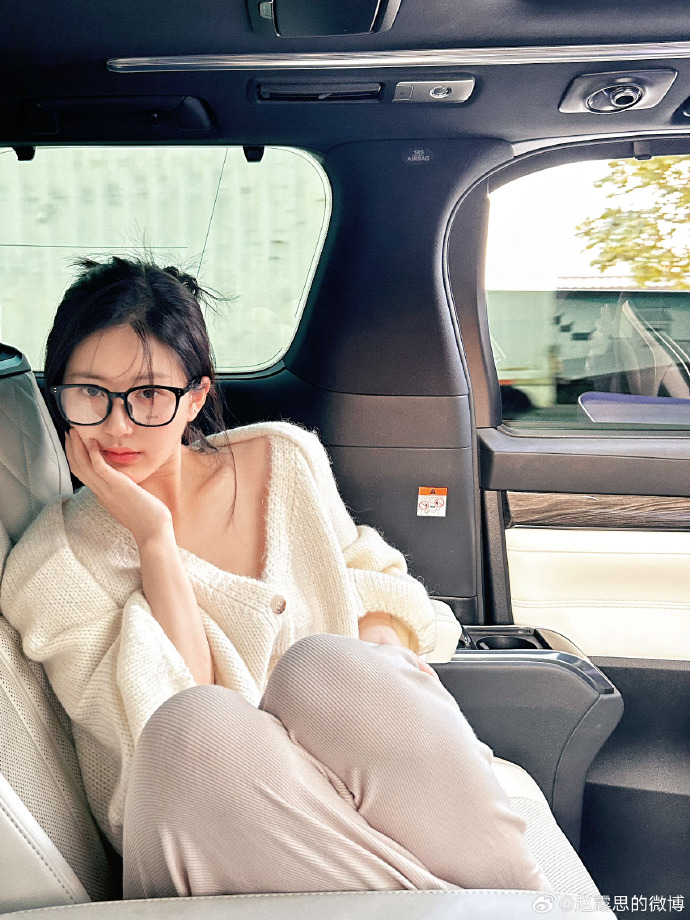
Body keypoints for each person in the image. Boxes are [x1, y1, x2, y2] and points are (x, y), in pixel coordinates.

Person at [1, 256, 553, 898]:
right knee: (198, 722)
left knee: (330, 665)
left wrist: (376, 668)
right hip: (202, 826)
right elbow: (166, 724)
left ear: (196, 398)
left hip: (345, 786)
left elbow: (370, 579)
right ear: (59, 396)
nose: (119, 424)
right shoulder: (55, 564)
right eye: (91, 394)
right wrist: (153, 539)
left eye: (149, 395)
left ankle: (525, 903)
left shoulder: (281, 458)